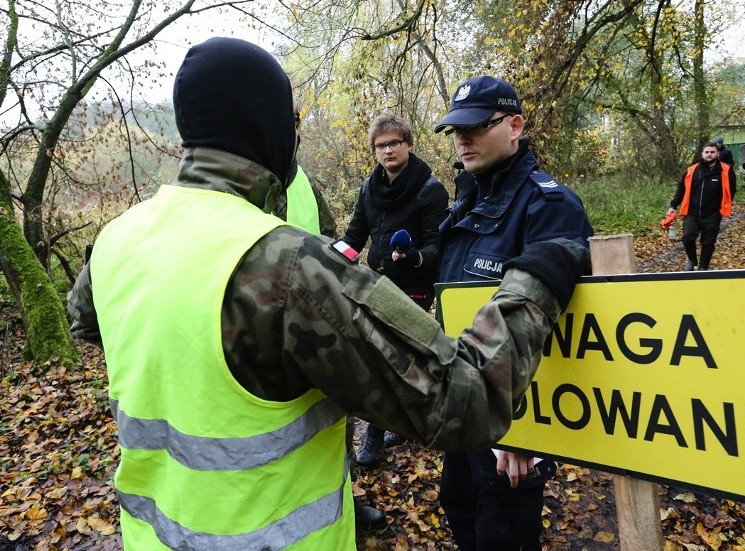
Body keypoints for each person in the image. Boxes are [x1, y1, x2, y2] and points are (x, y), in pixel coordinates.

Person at [66, 38, 591, 550]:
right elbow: (463, 400)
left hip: (148, 535)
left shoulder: (116, 238)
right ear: (265, 124)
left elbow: (87, 323)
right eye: (292, 123)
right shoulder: (293, 267)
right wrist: (536, 280)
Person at [433, 75, 594, 551]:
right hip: (465, 401)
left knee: (501, 532)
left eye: (478, 126)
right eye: (456, 130)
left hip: (512, 416)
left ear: (515, 126)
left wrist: (524, 428)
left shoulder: (550, 205)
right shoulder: (470, 198)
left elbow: (554, 325)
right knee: (458, 506)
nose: (463, 139)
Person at [287, 99, 388, 531]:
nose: (293, 130)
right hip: (257, 332)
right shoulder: (228, 187)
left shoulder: (303, 182)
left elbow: (334, 239)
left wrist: (348, 274)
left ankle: (344, 504)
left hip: (317, 324)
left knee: (334, 424)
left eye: (295, 122)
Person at [342, 113, 449, 468]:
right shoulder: (368, 190)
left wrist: (412, 256)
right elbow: (355, 237)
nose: (387, 150)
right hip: (379, 284)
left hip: (415, 287)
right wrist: (329, 256)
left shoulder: (429, 189)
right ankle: (399, 423)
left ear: (408, 145)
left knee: (392, 360)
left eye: (394, 143)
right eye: (380, 145)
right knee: (380, 358)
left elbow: (437, 249)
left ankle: (374, 436)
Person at [667, 141, 736, 271]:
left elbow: (731, 190)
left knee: (708, 242)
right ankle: (692, 260)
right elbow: (681, 188)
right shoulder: (692, 170)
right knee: (687, 237)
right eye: (707, 152)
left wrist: (724, 206)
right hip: (692, 212)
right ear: (702, 154)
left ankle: (703, 267)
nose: (709, 155)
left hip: (713, 213)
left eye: (712, 152)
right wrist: (673, 205)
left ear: (718, 153)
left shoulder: (726, 170)